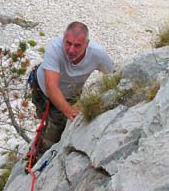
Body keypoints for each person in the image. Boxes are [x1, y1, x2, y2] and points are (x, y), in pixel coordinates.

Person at [28, 21, 115, 162]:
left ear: (87, 44)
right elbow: (51, 86)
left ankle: (41, 152)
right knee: (44, 116)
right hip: (41, 89)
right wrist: (69, 110)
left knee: (56, 131)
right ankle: (39, 150)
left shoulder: (98, 54)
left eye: (77, 45)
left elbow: (114, 75)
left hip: (69, 95)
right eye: (68, 43)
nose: (71, 50)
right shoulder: (54, 48)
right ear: (63, 39)